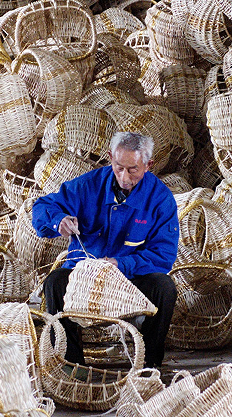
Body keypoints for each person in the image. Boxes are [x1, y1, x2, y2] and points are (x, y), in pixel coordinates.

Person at [32, 131, 179, 369]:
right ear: (110, 157)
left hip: (131, 278)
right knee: (55, 282)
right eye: (118, 167)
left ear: (148, 165)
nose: (124, 177)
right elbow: (42, 206)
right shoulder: (87, 186)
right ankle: (71, 365)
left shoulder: (160, 199)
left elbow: (163, 255)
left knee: (164, 288)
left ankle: (149, 366)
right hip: (85, 276)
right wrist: (58, 220)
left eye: (133, 170)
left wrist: (122, 265)